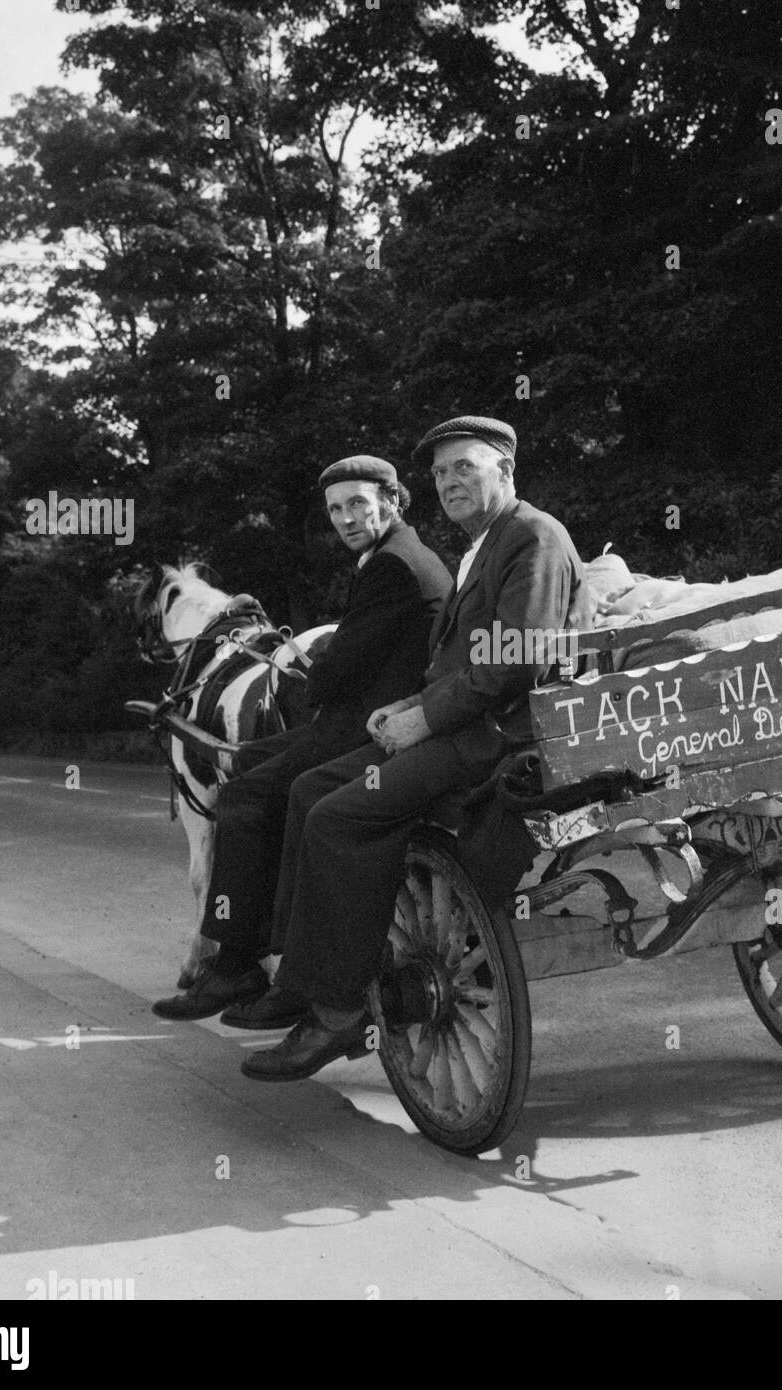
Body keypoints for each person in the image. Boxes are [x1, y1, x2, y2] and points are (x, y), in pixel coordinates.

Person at [241, 415, 589, 1081]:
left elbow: (518, 662)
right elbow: (463, 659)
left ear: (506, 471)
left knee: (338, 818)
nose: (450, 481)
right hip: (463, 725)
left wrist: (425, 719)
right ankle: (303, 979)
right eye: (440, 473)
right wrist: (409, 704)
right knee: (310, 787)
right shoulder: (486, 544)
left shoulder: (533, 538)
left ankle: (339, 1012)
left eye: (466, 466)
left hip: (503, 738)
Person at [152, 455, 451, 1022]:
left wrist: (315, 673)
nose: (346, 518)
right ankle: (240, 948)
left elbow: (337, 675)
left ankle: (238, 963)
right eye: (336, 509)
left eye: (358, 503)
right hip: (358, 715)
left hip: (364, 725)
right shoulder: (397, 556)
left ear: (391, 500)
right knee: (245, 762)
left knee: (245, 795)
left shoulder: (392, 565)